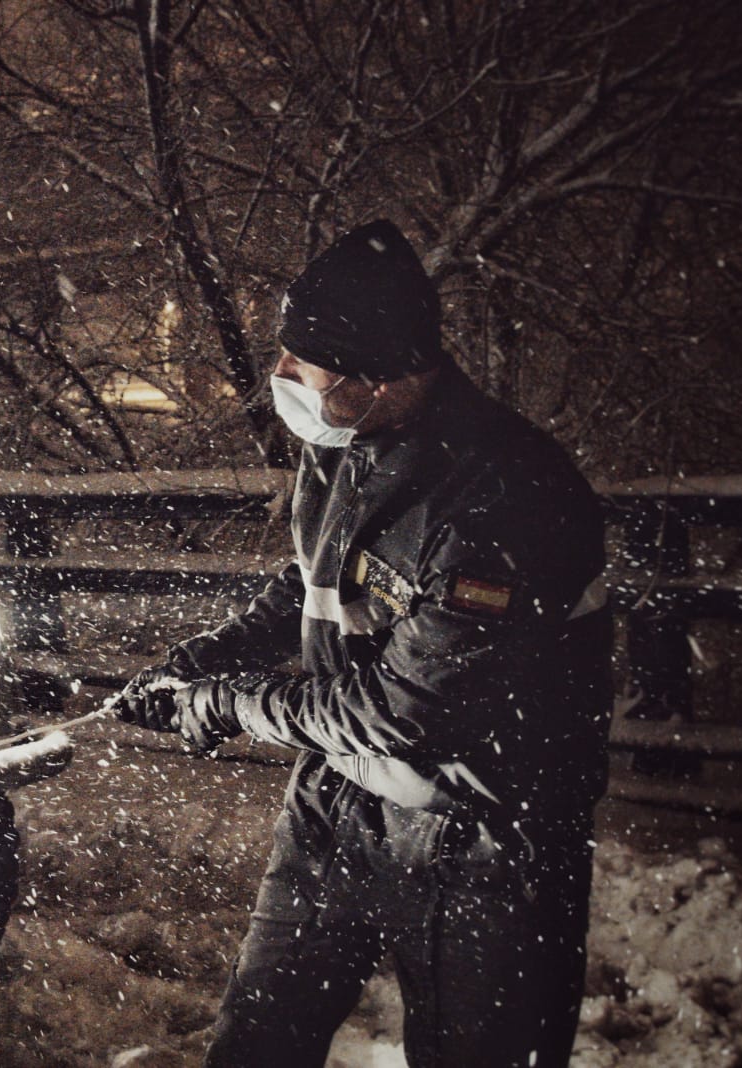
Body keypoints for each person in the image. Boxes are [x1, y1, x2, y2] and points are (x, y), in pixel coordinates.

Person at [114, 219, 611, 1068]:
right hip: (339, 802)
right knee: (257, 1045)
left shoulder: (505, 499)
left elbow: (406, 710)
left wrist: (236, 705)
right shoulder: (344, 441)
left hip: (485, 833)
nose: (278, 377)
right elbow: (314, 579)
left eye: (299, 362)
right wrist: (208, 659)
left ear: (376, 378)